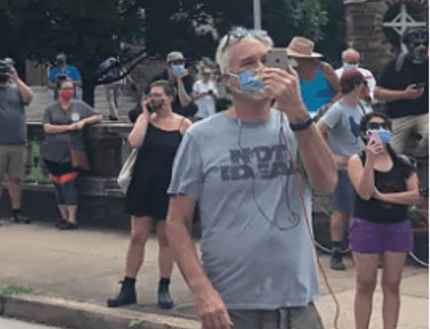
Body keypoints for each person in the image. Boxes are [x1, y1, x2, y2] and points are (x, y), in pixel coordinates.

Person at [166, 28, 337, 329]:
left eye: (265, 60)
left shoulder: (297, 127)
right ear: (225, 80)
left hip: (297, 304)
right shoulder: (200, 137)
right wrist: (201, 291)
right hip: (233, 306)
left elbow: (326, 184)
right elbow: (176, 221)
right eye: (247, 64)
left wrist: (298, 113)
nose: (259, 70)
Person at [108, 81, 191, 310]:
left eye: (158, 95)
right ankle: (128, 286)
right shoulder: (146, 121)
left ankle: (164, 286)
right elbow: (134, 142)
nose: (153, 99)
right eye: (151, 95)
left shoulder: (183, 125)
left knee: (166, 238)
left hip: (169, 188)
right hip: (143, 184)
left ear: (169, 98)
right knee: (137, 236)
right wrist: (145, 114)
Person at [347, 111, 420, 329]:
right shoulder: (356, 160)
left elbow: (414, 194)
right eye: (374, 129)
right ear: (365, 134)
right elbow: (365, 192)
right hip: (367, 224)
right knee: (365, 283)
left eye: (384, 128)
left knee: (392, 283)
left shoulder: (403, 162)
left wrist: (384, 197)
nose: (379, 133)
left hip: (397, 225)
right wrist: (370, 161)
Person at [317, 69, 371, 271]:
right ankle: (337, 251)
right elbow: (319, 131)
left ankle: (358, 249)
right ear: (357, 86)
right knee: (343, 209)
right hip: (344, 166)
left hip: (360, 163)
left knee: (359, 210)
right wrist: (331, 156)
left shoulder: (363, 109)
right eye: (362, 84)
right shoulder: (337, 109)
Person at [41, 75, 102, 229]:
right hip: (52, 151)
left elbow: (98, 116)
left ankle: (72, 219)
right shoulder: (50, 108)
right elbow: (47, 127)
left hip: (72, 151)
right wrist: (67, 128)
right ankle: (63, 216)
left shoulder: (80, 106)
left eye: (70, 89)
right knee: (57, 185)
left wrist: (83, 122)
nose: (68, 91)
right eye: (65, 89)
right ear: (58, 90)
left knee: (69, 184)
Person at [0, 60, 33, 225]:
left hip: (17, 141)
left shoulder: (16, 89)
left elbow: (29, 97)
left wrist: (16, 78)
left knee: (15, 178)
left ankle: (16, 211)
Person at [372, 28, 427, 161]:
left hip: (424, 114)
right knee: (391, 154)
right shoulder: (395, 65)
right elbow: (377, 93)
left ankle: (418, 154)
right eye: (417, 44)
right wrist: (404, 94)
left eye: (425, 44)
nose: (421, 47)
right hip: (399, 116)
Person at [287, 36, 340, 115]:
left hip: (326, 116)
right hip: (303, 117)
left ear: (304, 58)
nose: (290, 58)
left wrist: (329, 107)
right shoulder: (292, 72)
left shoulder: (324, 68)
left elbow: (341, 91)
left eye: (292, 56)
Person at [140, 52, 199, 119]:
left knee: (193, 108)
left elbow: (185, 103)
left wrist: (179, 81)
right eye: (175, 63)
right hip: (161, 103)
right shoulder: (159, 77)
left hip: (177, 106)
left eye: (181, 63)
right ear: (169, 65)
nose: (179, 65)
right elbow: (146, 95)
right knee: (136, 112)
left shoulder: (188, 79)